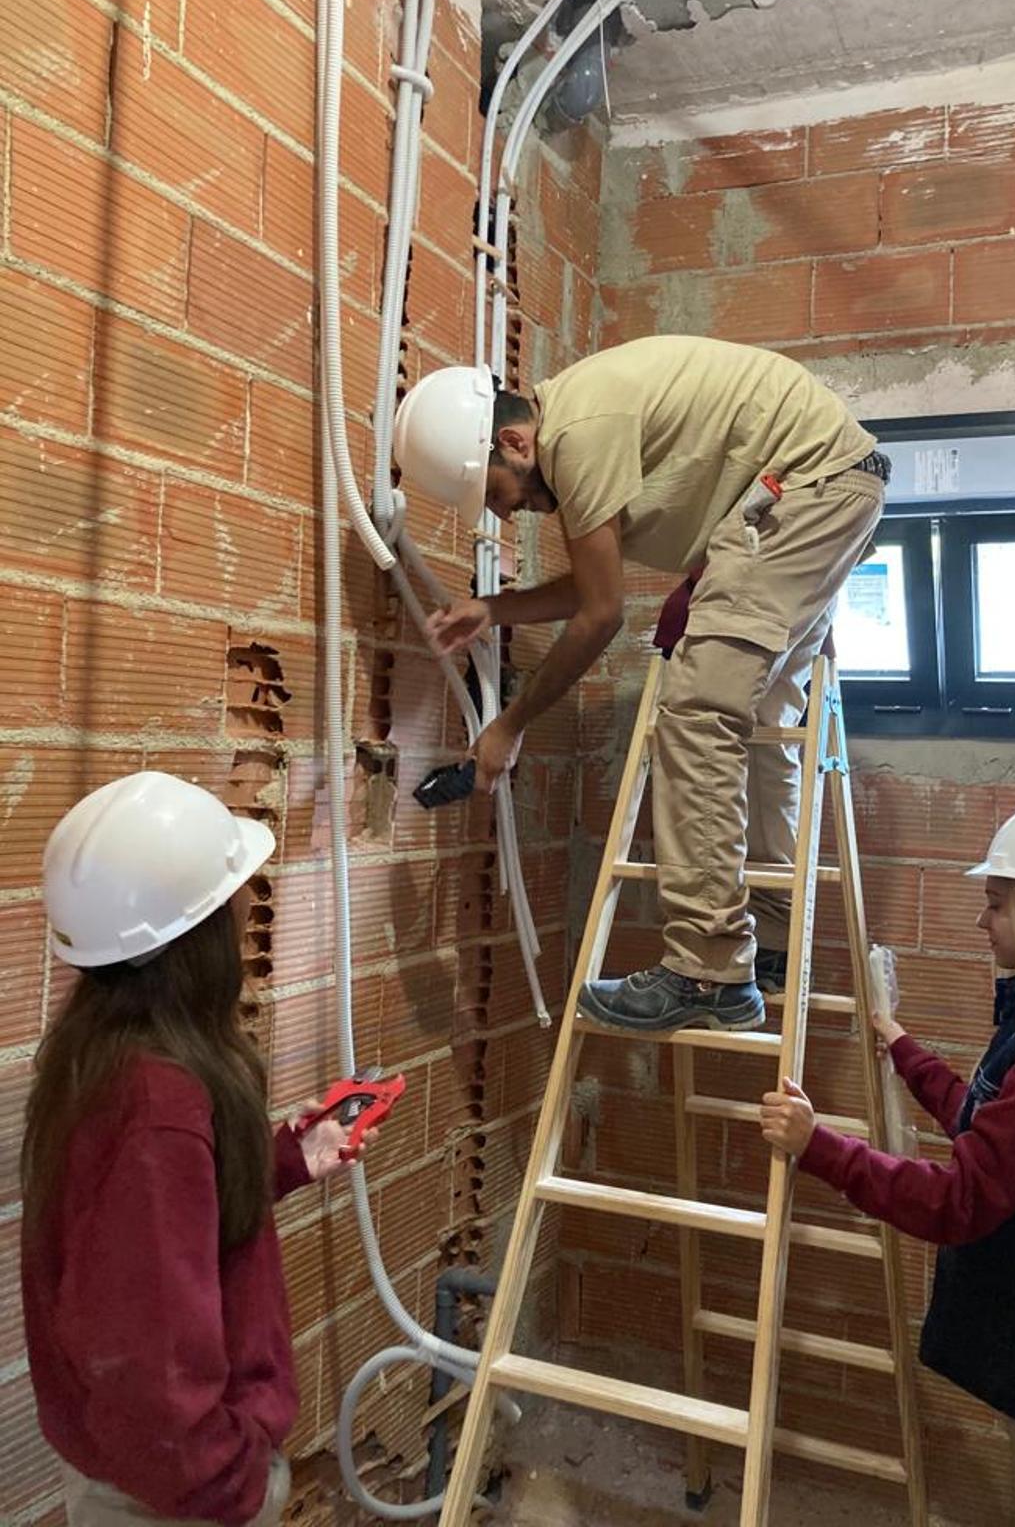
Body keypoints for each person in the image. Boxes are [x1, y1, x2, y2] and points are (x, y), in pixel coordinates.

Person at [395, 335, 888, 1034]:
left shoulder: (577, 434)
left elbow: (601, 614)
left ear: (515, 441)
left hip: (802, 489)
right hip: (831, 486)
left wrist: (507, 726)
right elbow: (593, 587)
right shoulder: (577, 416)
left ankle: (708, 970)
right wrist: (495, 610)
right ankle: (769, 944)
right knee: (761, 716)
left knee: (696, 712)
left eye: (500, 494)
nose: (510, 514)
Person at [760, 795, 1015, 1525]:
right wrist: (901, 1046)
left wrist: (818, 1146)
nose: (980, 922)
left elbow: (960, 1201)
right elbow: (989, 1131)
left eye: (995, 903)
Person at [21, 771, 376, 1527]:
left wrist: (282, 1158)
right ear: (197, 930)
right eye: (235, 889)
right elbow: (149, 1361)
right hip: (176, 1493)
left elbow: (153, 1234)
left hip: (148, 1473)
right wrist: (237, 1486)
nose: (250, 901)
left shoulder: (105, 1054)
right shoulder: (157, 1103)